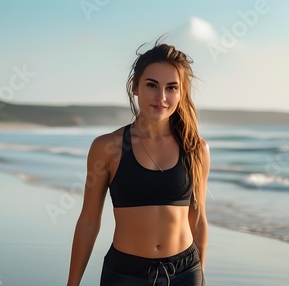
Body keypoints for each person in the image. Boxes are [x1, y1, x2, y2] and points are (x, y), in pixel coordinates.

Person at [67, 40, 210, 286]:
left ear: (182, 92)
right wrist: (72, 283)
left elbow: (197, 220)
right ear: (135, 87)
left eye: (172, 88)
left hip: (185, 274)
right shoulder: (106, 148)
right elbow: (89, 221)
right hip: (125, 275)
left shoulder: (196, 149)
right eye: (152, 85)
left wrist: (201, 276)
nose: (161, 97)